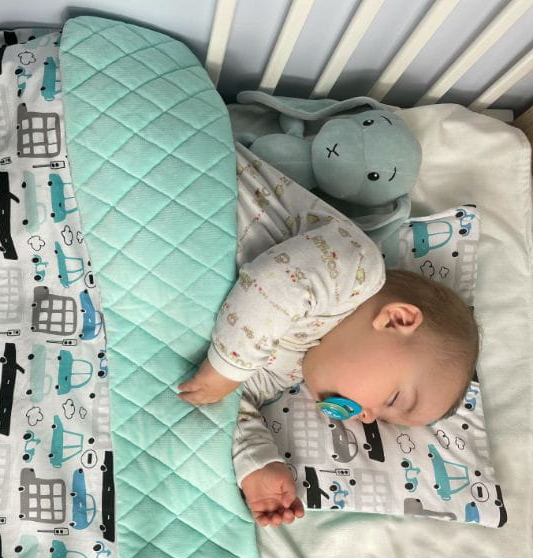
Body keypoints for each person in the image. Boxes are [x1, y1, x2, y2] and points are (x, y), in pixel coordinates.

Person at [177, 145, 480, 528]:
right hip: (192, 164)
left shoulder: (293, 370)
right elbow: (276, 284)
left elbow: (233, 400)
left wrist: (258, 462)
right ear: (396, 319)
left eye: (380, 418)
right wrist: (226, 370)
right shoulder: (356, 271)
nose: (366, 416)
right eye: (391, 399)